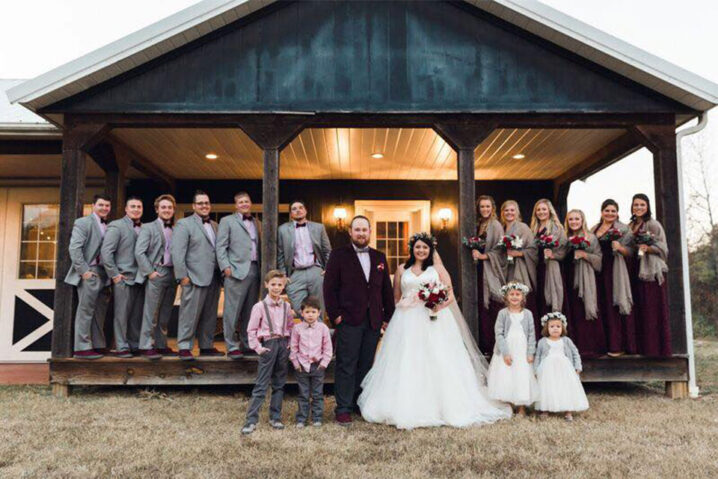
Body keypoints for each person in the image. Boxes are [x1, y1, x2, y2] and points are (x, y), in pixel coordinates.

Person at [357, 233, 512, 429]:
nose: (421, 250)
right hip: (406, 320)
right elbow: (396, 297)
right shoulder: (401, 269)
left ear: (430, 250)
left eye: (425, 248)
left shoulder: (437, 269)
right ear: (412, 249)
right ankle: (404, 403)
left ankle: (442, 405)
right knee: (407, 358)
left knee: (437, 357)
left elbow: (450, 295)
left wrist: (437, 305)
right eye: (418, 247)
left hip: (434, 318)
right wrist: (404, 306)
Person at [323, 215, 395, 426]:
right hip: (348, 319)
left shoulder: (380, 257)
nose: (361, 233)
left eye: (364, 230)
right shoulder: (338, 255)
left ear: (370, 232)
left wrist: (387, 316)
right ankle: (343, 407)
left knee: (365, 364)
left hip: (373, 319)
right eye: (357, 230)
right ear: (350, 232)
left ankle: (357, 402)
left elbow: (386, 290)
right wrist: (335, 315)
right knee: (346, 364)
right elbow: (329, 288)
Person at [242, 270, 294, 435]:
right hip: (268, 344)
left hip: (283, 344)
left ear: (283, 286)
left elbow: (291, 327)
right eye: (273, 284)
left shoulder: (287, 306)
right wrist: (258, 348)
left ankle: (275, 417)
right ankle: (251, 420)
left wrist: (289, 344)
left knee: (279, 383)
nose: (276, 288)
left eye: (280, 285)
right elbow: (251, 330)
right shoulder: (259, 307)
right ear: (266, 285)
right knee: (261, 384)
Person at [172, 190, 222, 361]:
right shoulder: (184, 224)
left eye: (206, 203)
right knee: (189, 314)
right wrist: (182, 276)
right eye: (200, 203)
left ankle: (206, 346)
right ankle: (184, 346)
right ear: (194, 206)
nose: (204, 206)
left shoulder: (215, 225)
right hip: (193, 277)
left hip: (214, 277)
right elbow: (177, 252)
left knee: (210, 314)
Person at [65, 194, 112, 359]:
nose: (104, 208)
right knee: (85, 310)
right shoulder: (83, 223)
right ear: (93, 205)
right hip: (90, 271)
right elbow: (74, 249)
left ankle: (97, 344)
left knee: (100, 312)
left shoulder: (110, 226)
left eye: (107, 205)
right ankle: (82, 348)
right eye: (101, 205)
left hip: (104, 273)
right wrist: (84, 271)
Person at [216, 192, 262, 359]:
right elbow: (220, 246)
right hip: (235, 271)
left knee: (250, 312)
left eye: (246, 201)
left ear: (251, 203)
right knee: (232, 311)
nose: (244, 204)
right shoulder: (227, 221)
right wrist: (225, 267)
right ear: (236, 206)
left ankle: (247, 343)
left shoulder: (258, 223)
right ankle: (231, 345)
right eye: (240, 202)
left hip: (255, 270)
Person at [628, 194, 672, 357]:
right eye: (636, 205)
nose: (638, 208)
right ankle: (641, 346)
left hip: (651, 272)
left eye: (642, 205)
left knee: (652, 309)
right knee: (639, 309)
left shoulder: (653, 225)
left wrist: (649, 248)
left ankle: (655, 349)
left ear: (647, 207)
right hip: (635, 269)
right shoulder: (631, 225)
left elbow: (663, 248)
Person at [592, 199, 636, 356]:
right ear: (601, 212)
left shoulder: (624, 229)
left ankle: (619, 346)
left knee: (615, 305)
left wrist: (620, 248)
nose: (610, 213)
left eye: (613, 211)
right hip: (598, 270)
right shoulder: (594, 229)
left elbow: (632, 251)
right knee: (601, 304)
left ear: (617, 213)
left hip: (615, 269)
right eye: (607, 210)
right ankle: (603, 345)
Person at [135, 194, 178, 360]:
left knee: (166, 312)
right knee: (151, 312)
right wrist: (150, 272)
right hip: (156, 272)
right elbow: (139, 252)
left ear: (173, 210)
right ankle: (146, 345)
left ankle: (161, 344)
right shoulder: (148, 227)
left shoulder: (176, 229)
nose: (167, 210)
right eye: (163, 207)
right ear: (157, 209)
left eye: (169, 208)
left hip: (172, 273)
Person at [487, 281, 539, 416]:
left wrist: (530, 352)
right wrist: (505, 353)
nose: (515, 297)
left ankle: (521, 406)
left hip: (522, 349)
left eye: (517, 294)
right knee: (507, 375)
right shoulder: (502, 313)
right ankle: (509, 403)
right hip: (507, 348)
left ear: (523, 297)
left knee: (521, 375)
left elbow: (532, 334)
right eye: (512, 294)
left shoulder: (528, 314)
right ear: (506, 297)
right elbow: (499, 333)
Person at [101, 196, 144, 358]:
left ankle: (134, 344)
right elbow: (106, 252)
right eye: (132, 206)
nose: (136, 209)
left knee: (136, 314)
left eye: (139, 207)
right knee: (121, 315)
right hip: (123, 278)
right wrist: (115, 275)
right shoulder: (116, 226)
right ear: (126, 209)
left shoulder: (144, 228)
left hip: (141, 278)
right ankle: (121, 346)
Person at [277, 200, 332, 318]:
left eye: (300, 207)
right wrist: (283, 275)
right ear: (291, 214)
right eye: (294, 209)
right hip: (295, 274)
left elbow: (327, 250)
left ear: (305, 211)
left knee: (319, 308)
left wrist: (328, 269)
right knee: (299, 309)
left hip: (316, 271)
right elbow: (280, 254)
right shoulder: (282, 230)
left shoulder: (319, 227)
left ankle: (318, 335)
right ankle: (310, 333)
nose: (298, 210)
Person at [563, 209, 605, 358]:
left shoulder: (590, 238)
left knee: (585, 309)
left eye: (577, 219)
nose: (574, 222)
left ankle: (590, 348)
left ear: (582, 220)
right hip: (568, 279)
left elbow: (599, 260)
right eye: (571, 219)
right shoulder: (565, 238)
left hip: (586, 280)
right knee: (572, 312)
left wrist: (585, 255)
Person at [534, 312, 589, 421]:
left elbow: (575, 353)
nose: (555, 329)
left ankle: (568, 411)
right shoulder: (542, 342)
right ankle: (545, 409)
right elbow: (538, 356)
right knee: (548, 387)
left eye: (558, 326)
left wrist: (578, 366)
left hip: (564, 368)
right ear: (546, 328)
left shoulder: (566, 341)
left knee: (565, 387)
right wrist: (536, 369)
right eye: (552, 326)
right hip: (547, 368)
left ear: (562, 328)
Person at [290, 296, 332, 428]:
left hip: (317, 366)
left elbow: (327, 348)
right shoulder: (297, 329)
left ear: (319, 313)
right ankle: (301, 418)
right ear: (302, 313)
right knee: (303, 394)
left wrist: (323, 364)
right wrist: (296, 364)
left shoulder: (323, 328)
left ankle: (317, 418)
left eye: (313, 312)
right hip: (302, 366)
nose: (310, 315)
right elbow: (293, 348)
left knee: (317, 394)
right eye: (307, 312)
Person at [530, 198, 570, 333]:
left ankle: (557, 333)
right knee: (540, 299)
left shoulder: (557, 228)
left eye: (544, 209)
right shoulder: (534, 229)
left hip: (552, 269)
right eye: (538, 210)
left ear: (549, 211)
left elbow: (564, 249)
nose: (541, 212)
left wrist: (554, 255)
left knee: (553, 298)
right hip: (538, 268)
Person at [472, 195, 506, 354]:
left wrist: (484, 256)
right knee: (480, 308)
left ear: (492, 208)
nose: (485, 209)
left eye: (487, 206)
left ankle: (495, 346)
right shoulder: (478, 224)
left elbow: (501, 250)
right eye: (482, 207)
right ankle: (483, 345)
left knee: (493, 307)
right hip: (478, 271)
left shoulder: (496, 225)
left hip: (490, 271)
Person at [500, 200, 538, 321]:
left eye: (512, 210)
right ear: (502, 213)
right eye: (506, 210)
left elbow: (533, 249)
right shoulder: (501, 228)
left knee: (520, 299)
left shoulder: (523, 227)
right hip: (505, 268)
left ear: (517, 212)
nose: (509, 213)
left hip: (520, 269)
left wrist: (519, 253)